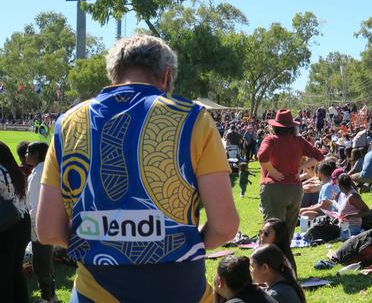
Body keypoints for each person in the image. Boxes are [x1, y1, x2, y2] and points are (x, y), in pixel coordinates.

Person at [36, 34, 239, 302]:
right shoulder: (194, 118)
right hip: (180, 288)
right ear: (166, 76)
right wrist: (186, 242)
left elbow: (48, 229)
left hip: (94, 289)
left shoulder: (69, 123)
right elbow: (225, 226)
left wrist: (96, 238)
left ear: (114, 76)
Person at [258, 109, 324, 241]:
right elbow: (319, 156)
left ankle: (269, 258)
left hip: (274, 188)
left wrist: (273, 172)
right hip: (295, 190)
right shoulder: (299, 140)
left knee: (272, 229)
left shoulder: (271, 139)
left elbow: (262, 157)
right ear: (292, 127)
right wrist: (301, 167)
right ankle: (285, 259)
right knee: (287, 233)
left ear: (274, 126)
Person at [25, 141, 57, 302]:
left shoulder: (38, 173)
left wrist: (31, 226)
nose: (25, 155)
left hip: (39, 224)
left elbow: (36, 205)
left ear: (36, 154)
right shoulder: (46, 169)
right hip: (48, 222)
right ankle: (51, 294)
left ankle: (47, 297)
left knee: (41, 263)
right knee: (46, 262)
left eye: (28, 152)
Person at [0, 141, 31, 303]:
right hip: (22, 221)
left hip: (6, 226)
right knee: (15, 271)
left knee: (4, 274)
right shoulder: (15, 171)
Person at [325, 173, 370, 239]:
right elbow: (344, 210)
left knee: (325, 234)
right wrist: (338, 218)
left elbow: (367, 211)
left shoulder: (353, 196)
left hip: (352, 228)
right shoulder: (344, 194)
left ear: (340, 186)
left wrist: (350, 216)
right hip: (344, 226)